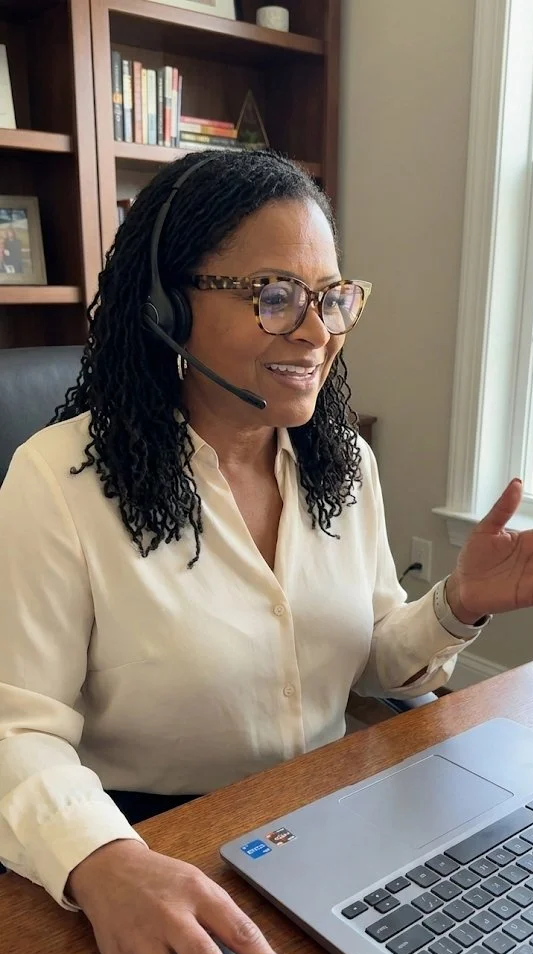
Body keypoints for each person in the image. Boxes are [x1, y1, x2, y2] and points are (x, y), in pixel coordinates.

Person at [0, 150, 532, 954]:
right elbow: (15, 728)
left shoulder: (342, 462)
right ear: (165, 306)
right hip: (155, 840)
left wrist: (458, 605)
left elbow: (372, 662)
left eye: (330, 298)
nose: (317, 333)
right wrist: (104, 861)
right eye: (275, 297)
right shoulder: (58, 480)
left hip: (325, 812)